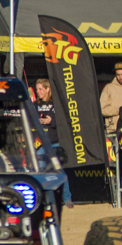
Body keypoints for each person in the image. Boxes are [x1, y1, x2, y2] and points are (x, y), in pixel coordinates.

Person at [34, 79, 73, 207]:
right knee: (39, 169)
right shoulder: (34, 104)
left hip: (55, 143)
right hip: (39, 144)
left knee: (59, 171)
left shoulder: (56, 104)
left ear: (47, 89)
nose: (38, 91)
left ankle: (67, 199)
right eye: (37, 89)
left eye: (40, 89)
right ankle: (42, 199)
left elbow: (62, 120)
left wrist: (50, 120)